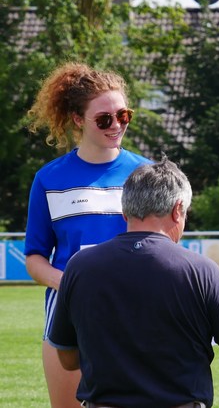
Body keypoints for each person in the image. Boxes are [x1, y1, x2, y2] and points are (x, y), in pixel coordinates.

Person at [48, 157, 219, 408]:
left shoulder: (79, 267)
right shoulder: (201, 271)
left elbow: (67, 358)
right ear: (178, 209)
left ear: (125, 211)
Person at [23, 62, 151, 408]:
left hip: (135, 310)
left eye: (123, 115)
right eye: (104, 119)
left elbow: (165, 245)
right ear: (78, 120)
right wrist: (71, 283)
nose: (117, 125)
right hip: (70, 313)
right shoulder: (49, 178)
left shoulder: (146, 173)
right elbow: (34, 258)